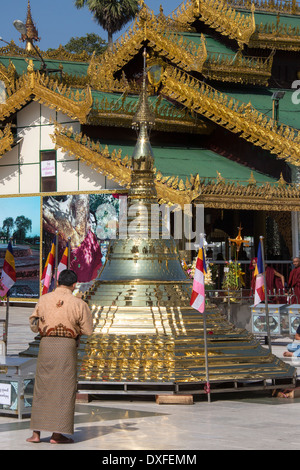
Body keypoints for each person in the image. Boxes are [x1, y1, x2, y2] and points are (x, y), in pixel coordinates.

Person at [26, 269, 93, 444]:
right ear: (74, 285)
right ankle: (56, 435)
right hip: (66, 347)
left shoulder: (44, 299)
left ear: (57, 283)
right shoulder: (79, 303)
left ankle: (36, 434)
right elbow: (88, 330)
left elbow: (33, 323)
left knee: (42, 387)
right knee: (64, 389)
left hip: (46, 345)